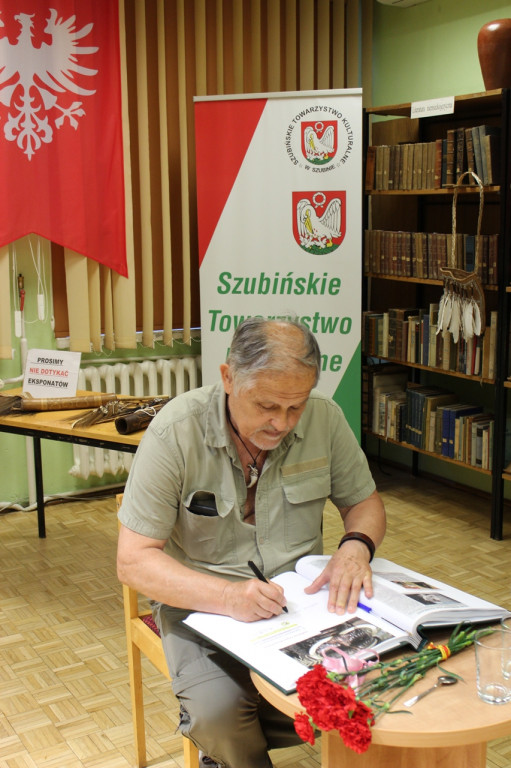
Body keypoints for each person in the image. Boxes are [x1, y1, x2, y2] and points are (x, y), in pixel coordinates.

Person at [117, 317, 386, 768]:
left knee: (377, 688)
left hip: (301, 608)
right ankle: (226, 748)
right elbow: (134, 562)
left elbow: (365, 504)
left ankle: (224, 754)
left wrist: (356, 545)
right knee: (221, 714)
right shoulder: (174, 433)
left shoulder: (325, 418)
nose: (281, 423)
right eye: (266, 405)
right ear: (227, 378)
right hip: (200, 607)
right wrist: (227, 596)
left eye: (295, 407)